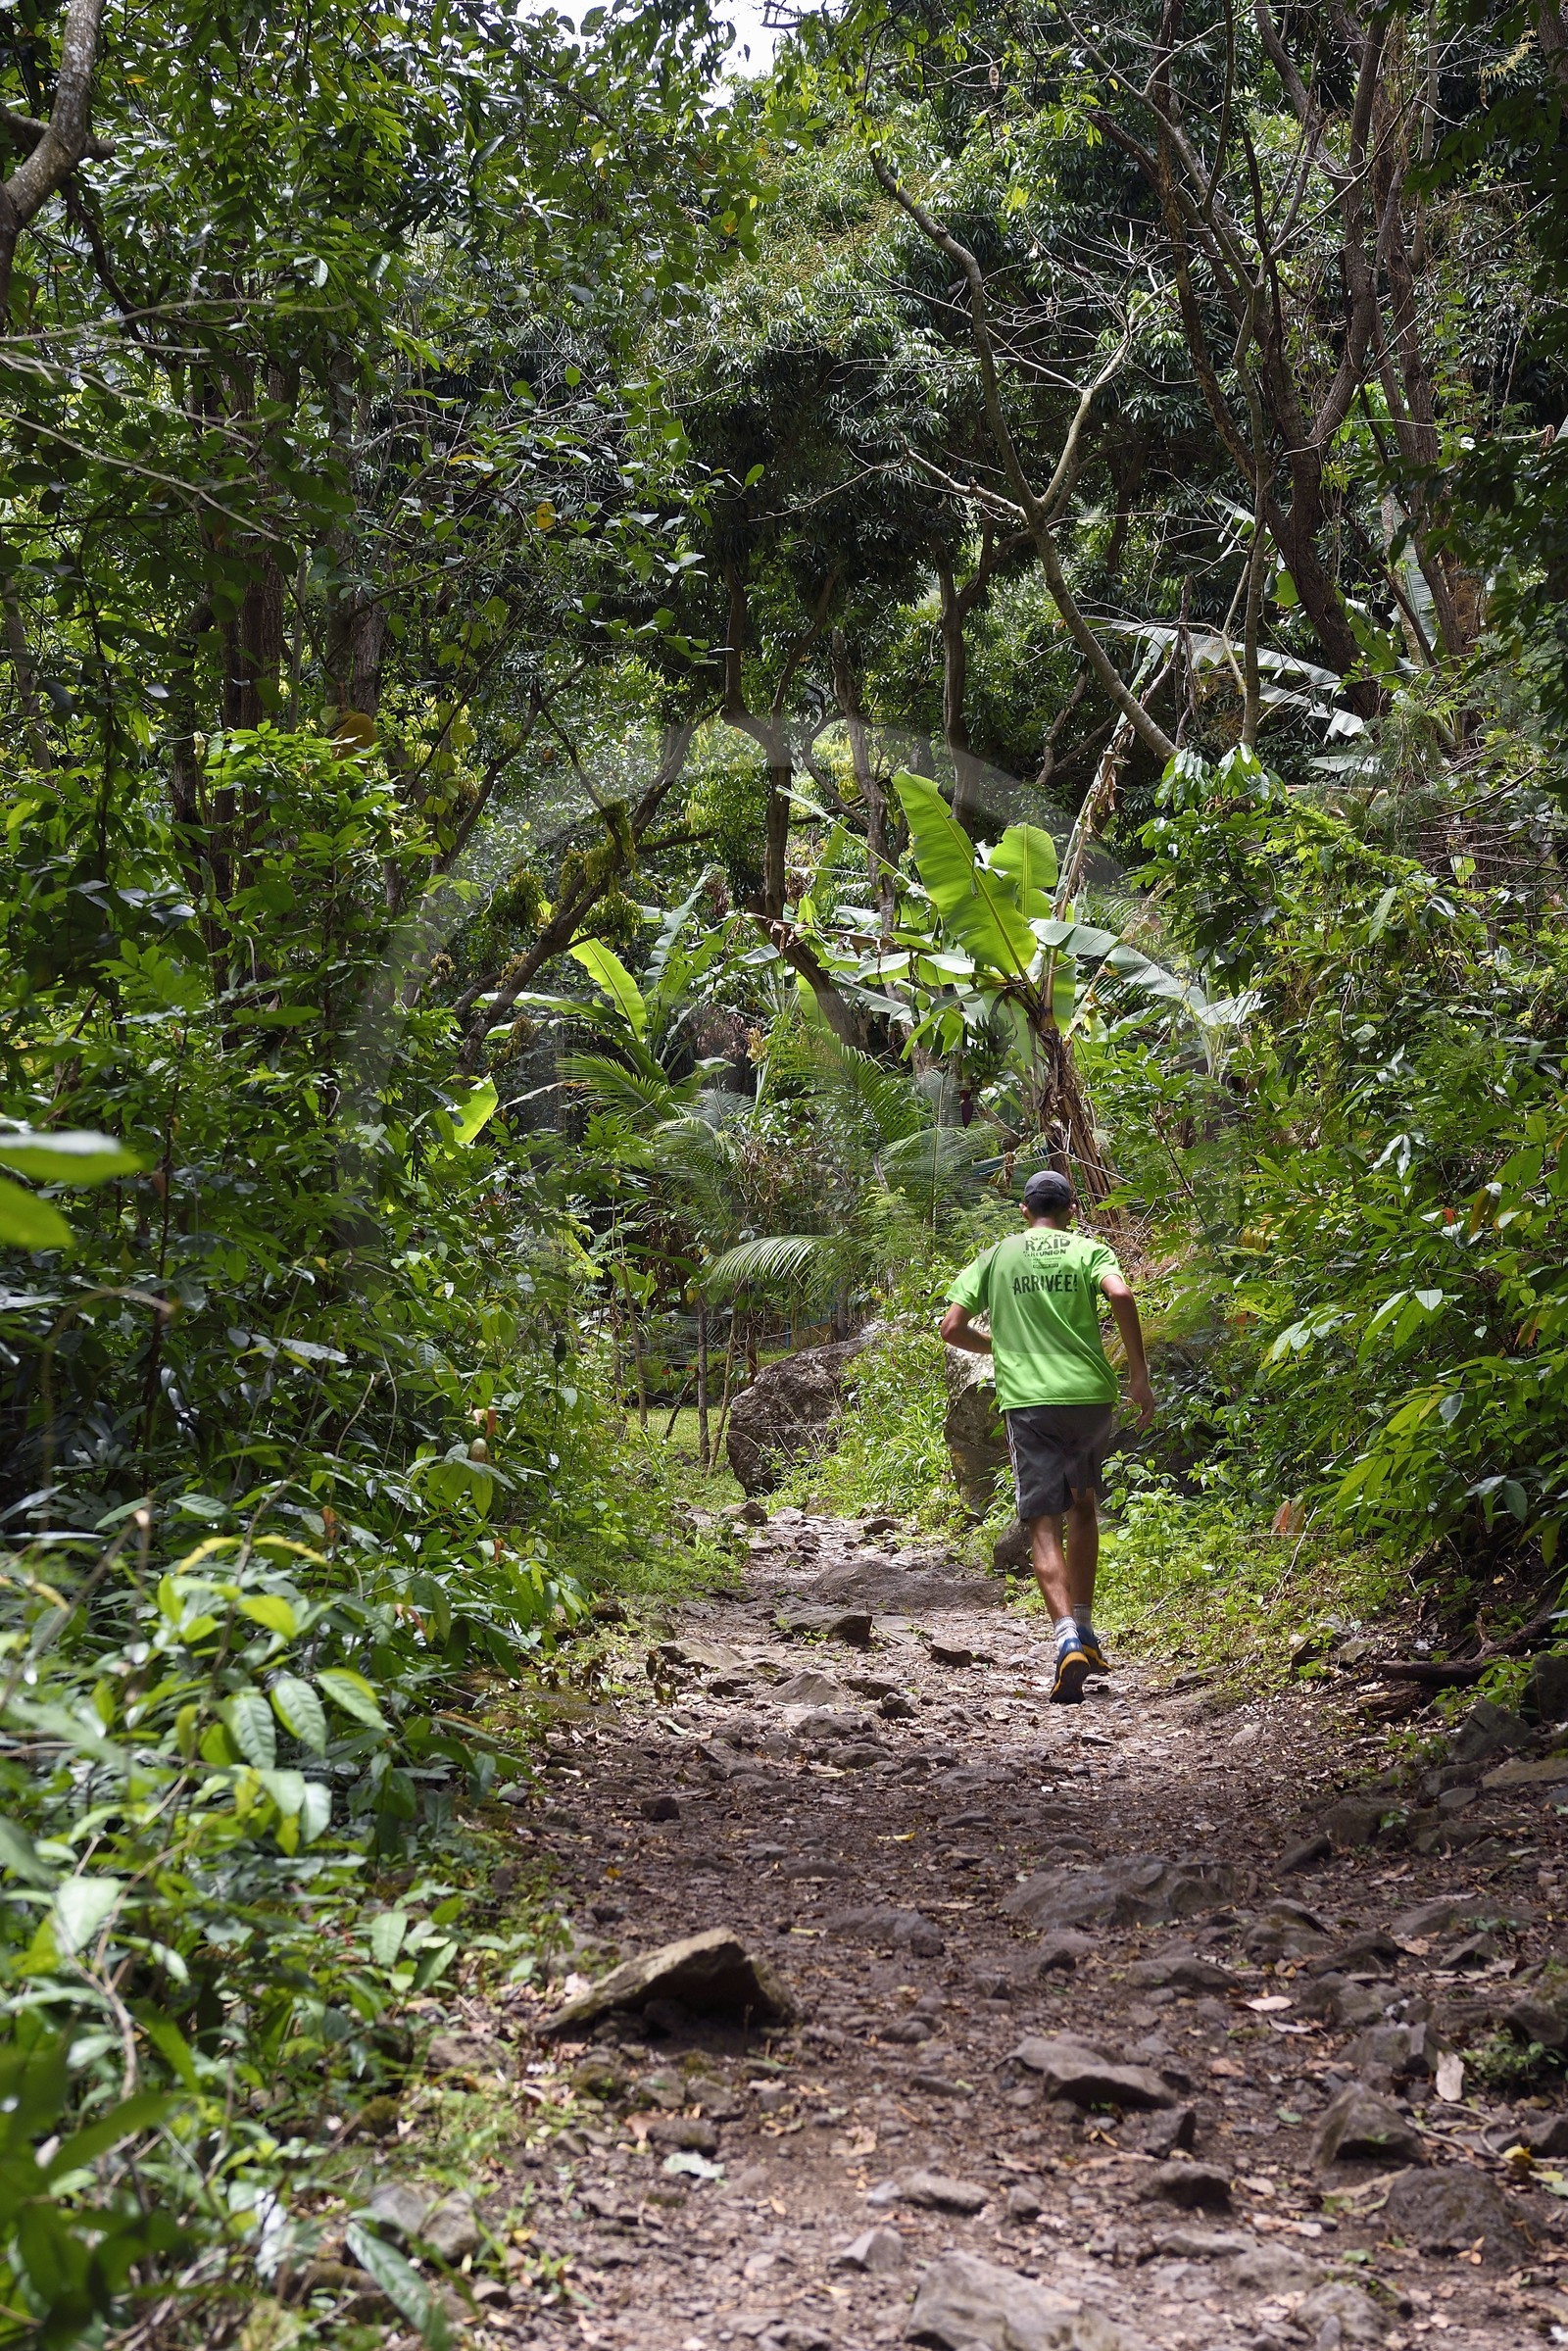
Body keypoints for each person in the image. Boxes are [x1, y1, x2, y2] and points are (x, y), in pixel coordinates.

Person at [940, 1168, 1154, 1705]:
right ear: (1071, 1211)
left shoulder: (999, 1255)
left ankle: (1065, 1642)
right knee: (1084, 1508)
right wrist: (1138, 1375)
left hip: (1031, 1404)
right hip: (1089, 1399)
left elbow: (951, 1328)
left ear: (1024, 1210)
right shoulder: (1089, 1250)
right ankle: (1084, 1628)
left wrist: (997, 1346)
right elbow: (1121, 1295)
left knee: (1042, 1525)